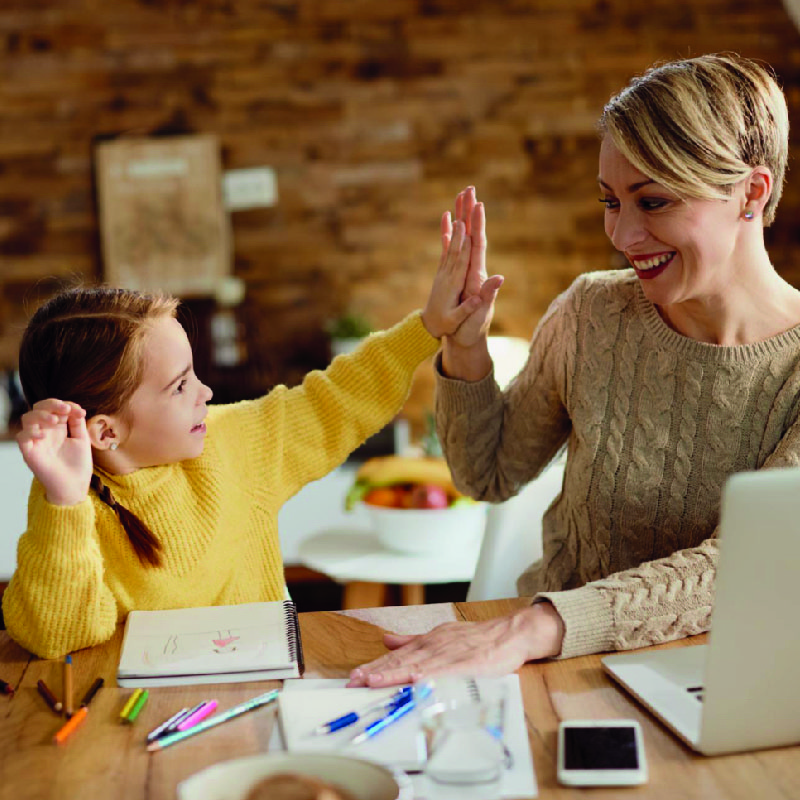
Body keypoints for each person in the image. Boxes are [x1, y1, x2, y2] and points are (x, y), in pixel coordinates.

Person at [348, 53, 800, 688]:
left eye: (652, 200)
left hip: (717, 684)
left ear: (750, 193)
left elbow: (744, 566)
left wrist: (536, 625)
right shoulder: (591, 312)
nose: (622, 233)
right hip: (550, 669)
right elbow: (489, 474)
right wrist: (466, 346)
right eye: (610, 201)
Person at [2, 214, 503, 660]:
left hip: (259, 694)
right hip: (138, 720)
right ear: (105, 431)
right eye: (180, 386)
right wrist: (64, 502)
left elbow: (335, 399)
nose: (206, 392)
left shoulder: (235, 443)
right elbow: (59, 636)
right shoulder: (67, 500)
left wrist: (427, 328)